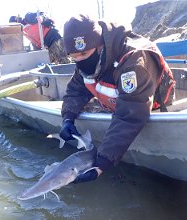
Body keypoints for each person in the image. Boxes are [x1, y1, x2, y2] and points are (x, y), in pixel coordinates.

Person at [59, 14, 175, 183]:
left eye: (84, 53)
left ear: (100, 45)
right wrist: (68, 119)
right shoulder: (85, 62)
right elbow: (75, 91)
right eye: (74, 57)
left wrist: (101, 164)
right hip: (119, 104)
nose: (80, 61)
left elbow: (130, 115)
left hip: (151, 105)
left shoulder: (133, 62)